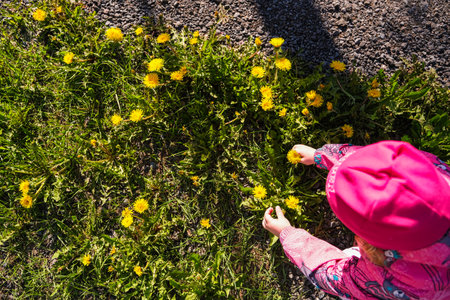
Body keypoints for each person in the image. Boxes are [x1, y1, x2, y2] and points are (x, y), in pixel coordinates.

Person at [262, 141, 450, 299]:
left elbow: (338, 279)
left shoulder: (393, 277)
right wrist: (320, 156)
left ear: (377, 245)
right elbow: (375, 164)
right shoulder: (439, 173)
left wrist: (289, 235)